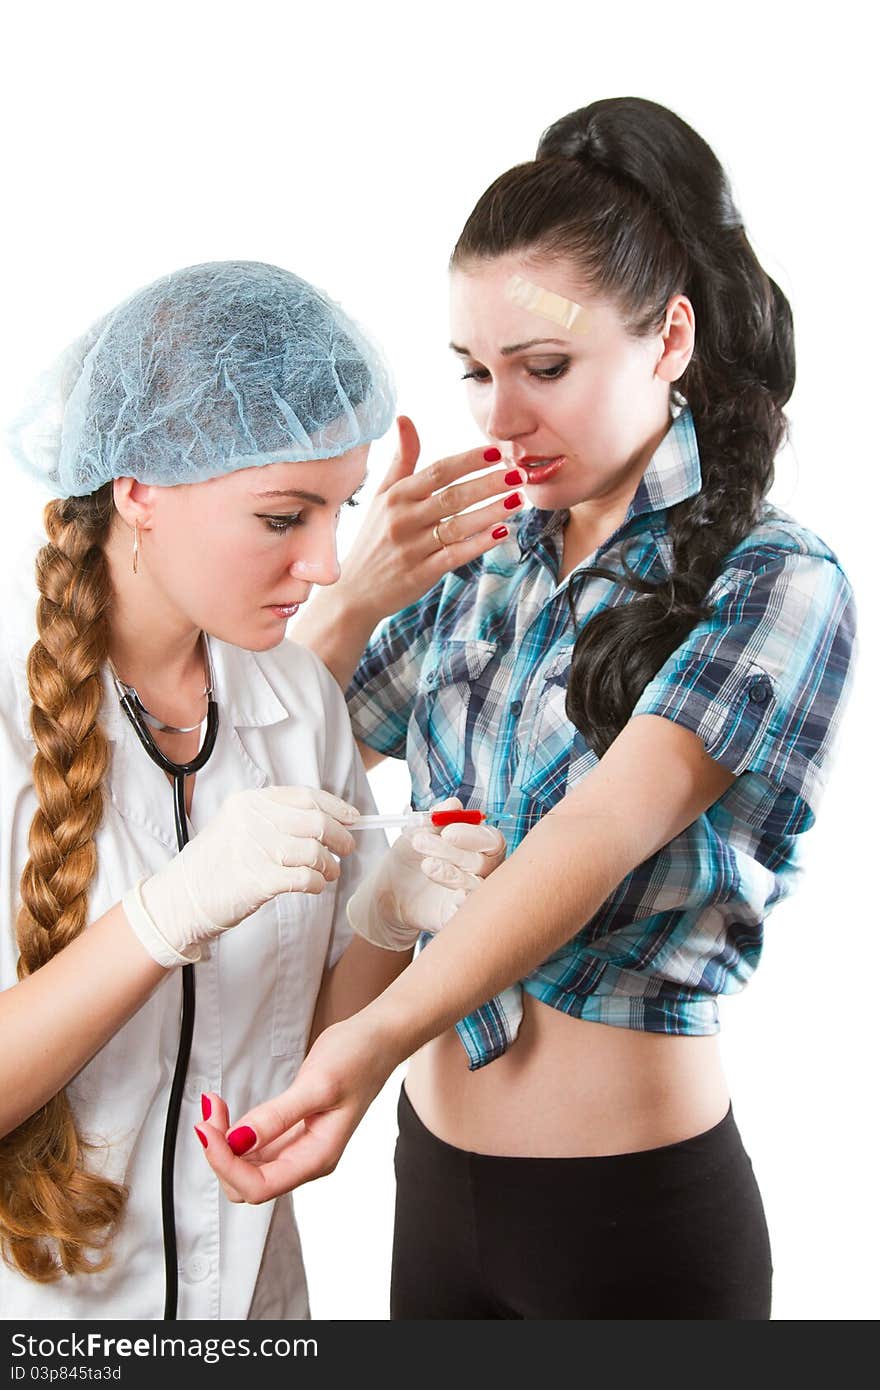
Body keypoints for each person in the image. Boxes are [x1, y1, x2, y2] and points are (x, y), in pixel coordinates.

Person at [197, 101, 857, 1320]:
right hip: (429, 1188)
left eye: (544, 368)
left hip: (633, 1220)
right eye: (474, 373)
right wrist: (355, 594)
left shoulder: (775, 576)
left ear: (668, 338)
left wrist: (370, 1036)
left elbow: (598, 834)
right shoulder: (478, 556)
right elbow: (244, 761)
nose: (497, 418)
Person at [0, 259, 505, 1320]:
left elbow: (300, 1055)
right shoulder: (11, 722)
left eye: (341, 509)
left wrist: (386, 912)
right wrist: (164, 913)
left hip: (260, 1316)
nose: (328, 564)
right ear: (138, 489)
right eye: (285, 517)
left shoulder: (294, 703)